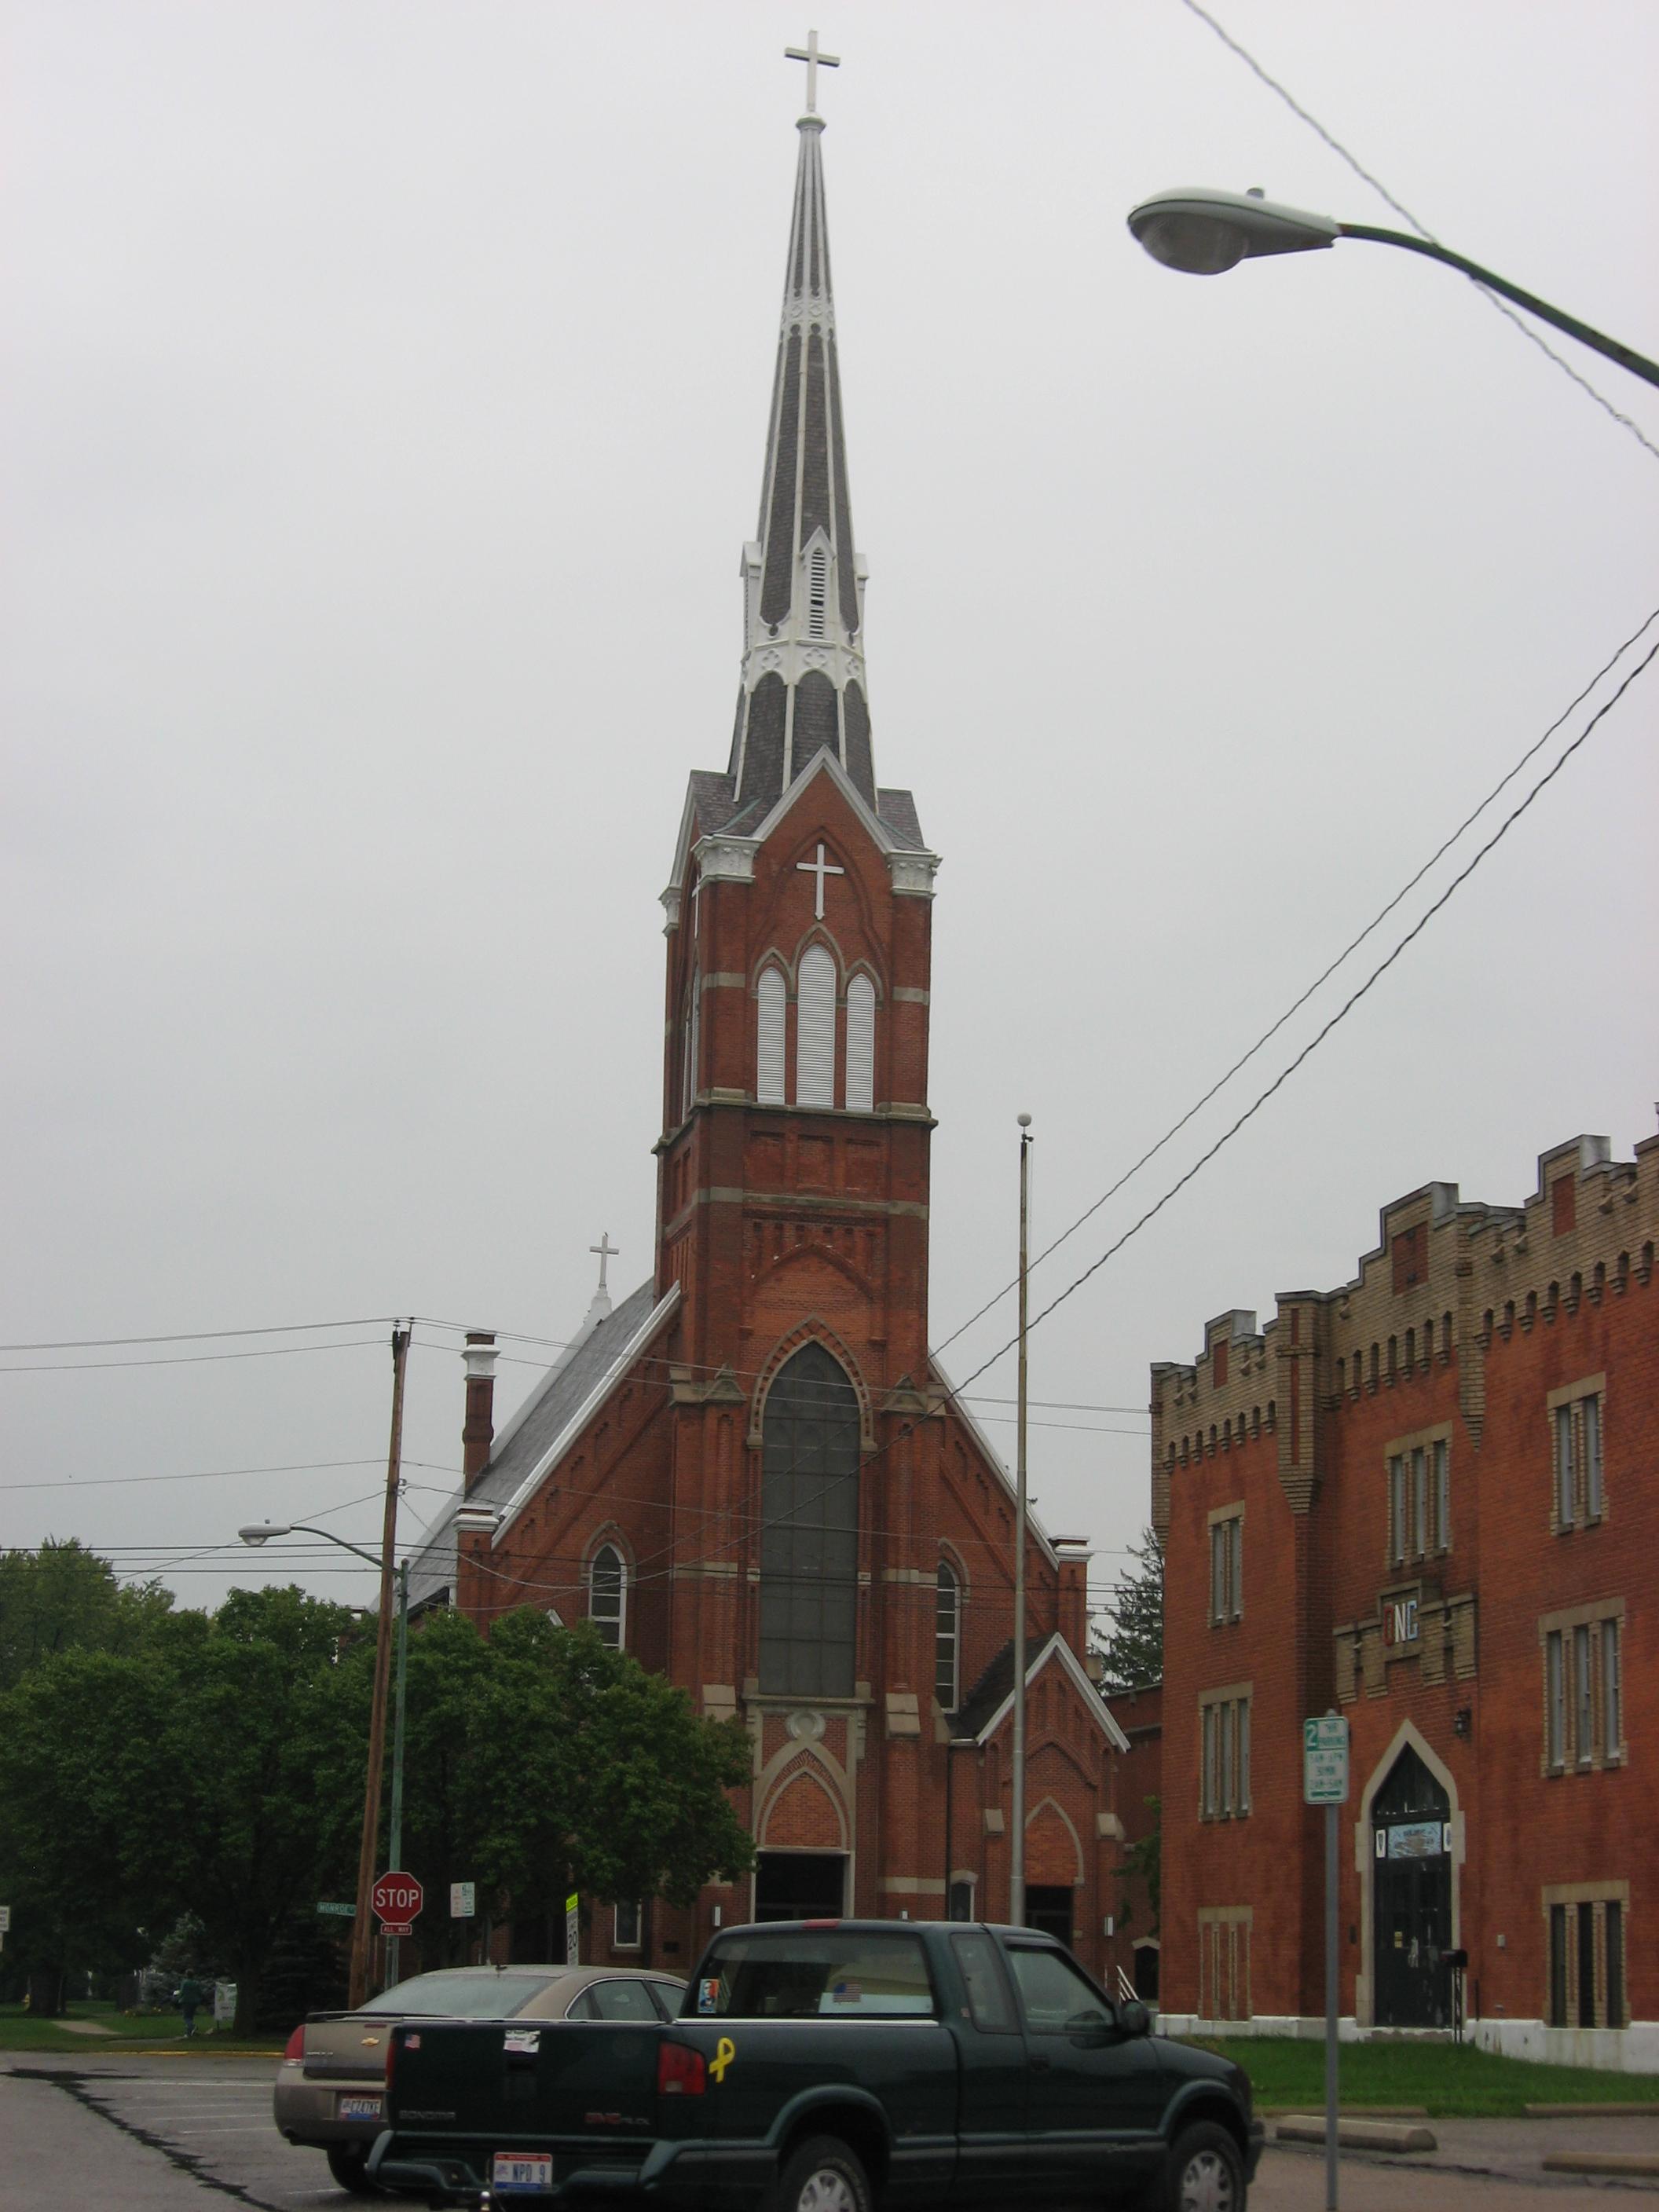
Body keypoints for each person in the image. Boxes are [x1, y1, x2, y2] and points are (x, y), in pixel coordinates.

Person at [177, 1972, 204, 2038]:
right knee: (191, 2017)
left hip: (186, 2001)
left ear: (186, 1975)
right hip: (195, 2001)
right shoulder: (196, 1983)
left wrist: (179, 1998)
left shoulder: (185, 1983)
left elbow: (182, 1992)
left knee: (186, 2017)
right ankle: (188, 2033)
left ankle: (192, 2026)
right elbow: (200, 1992)